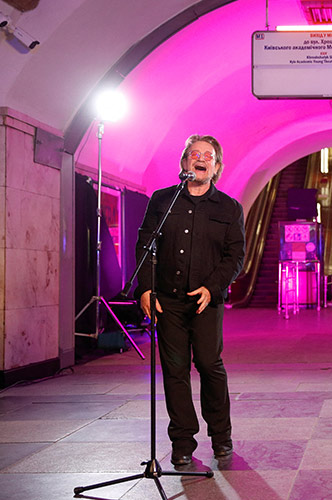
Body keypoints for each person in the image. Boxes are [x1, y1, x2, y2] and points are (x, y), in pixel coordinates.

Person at [135, 134, 245, 466]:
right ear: (184, 163)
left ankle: (221, 435)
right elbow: (144, 245)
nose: (200, 158)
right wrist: (145, 288)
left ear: (217, 167)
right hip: (167, 301)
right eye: (194, 154)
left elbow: (235, 256)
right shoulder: (162, 200)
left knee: (210, 365)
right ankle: (182, 440)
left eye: (207, 155)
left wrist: (212, 287)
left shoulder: (229, 207)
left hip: (206, 302)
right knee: (174, 370)